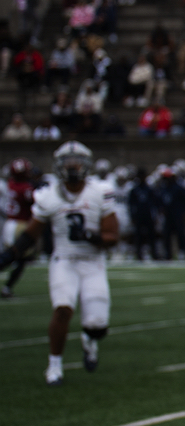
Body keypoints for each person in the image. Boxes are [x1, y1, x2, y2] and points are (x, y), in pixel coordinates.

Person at [0, 142, 118, 385]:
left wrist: (91, 237)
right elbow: (31, 233)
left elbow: (112, 237)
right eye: (67, 162)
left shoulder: (99, 192)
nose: (72, 167)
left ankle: (89, 339)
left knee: (97, 326)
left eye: (77, 162)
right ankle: (54, 366)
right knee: (63, 309)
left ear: (86, 165)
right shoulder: (49, 195)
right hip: (63, 260)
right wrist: (9, 256)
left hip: (92, 262)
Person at [2, 158, 38, 298]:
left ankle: (7, 288)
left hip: (9, 223)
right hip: (20, 224)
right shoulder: (26, 188)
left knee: (10, 256)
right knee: (18, 258)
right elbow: (34, 202)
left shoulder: (10, 184)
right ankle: (7, 288)